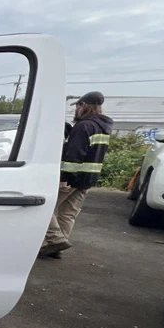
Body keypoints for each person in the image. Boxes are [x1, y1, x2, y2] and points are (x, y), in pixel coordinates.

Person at [39, 91, 113, 258]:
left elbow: (74, 154)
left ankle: (55, 240)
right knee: (68, 213)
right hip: (88, 178)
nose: (76, 109)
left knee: (44, 207)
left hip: (73, 178)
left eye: (78, 106)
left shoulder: (84, 126)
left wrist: (64, 178)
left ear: (84, 106)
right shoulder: (103, 127)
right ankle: (56, 248)